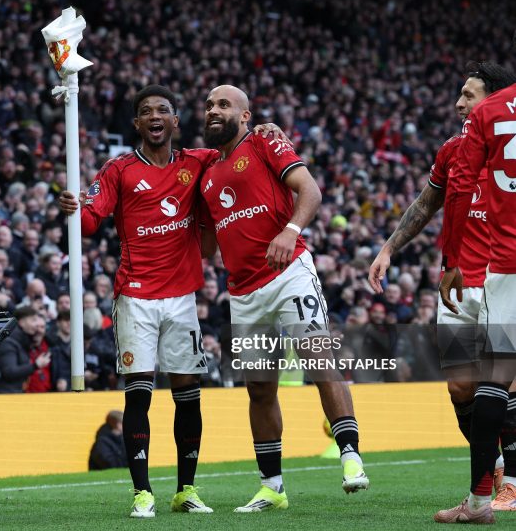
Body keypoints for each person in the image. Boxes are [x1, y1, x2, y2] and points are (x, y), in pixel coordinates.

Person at [61, 85, 284, 517]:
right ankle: (142, 492)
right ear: (137, 124)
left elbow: (239, 148)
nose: (154, 116)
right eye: (146, 112)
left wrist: (264, 129)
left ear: (176, 121)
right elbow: (89, 223)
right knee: (138, 395)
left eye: (163, 110)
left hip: (182, 298)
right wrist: (75, 207)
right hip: (136, 296)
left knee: (188, 395)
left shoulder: (198, 162)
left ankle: (186, 490)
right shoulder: (119, 169)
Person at [198, 85, 369, 513]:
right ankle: (272, 487)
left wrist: (289, 231)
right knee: (259, 390)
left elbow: (310, 191)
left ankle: (350, 456)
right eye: (208, 106)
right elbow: (205, 246)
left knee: (318, 358)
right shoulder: (204, 171)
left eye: (223, 105)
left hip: (289, 271)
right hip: (243, 291)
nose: (213, 110)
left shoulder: (264, 140)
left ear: (245, 115)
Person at [368, 61, 516, 512]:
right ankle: (488, 469)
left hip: (498, 275)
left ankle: (509, 482)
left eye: (468, 95)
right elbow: (427, 202)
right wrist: (389, 248)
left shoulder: (504, 137)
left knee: (504, 380)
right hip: (456, 282)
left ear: (490, 100)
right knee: (460, 388)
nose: (458, 103)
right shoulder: (453, 150)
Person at [436, 62, 516, 522]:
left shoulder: (491, 113)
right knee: (471, 381)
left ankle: (481, 502)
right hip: (490, 271)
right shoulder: (460, 134)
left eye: (468, 94)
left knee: (493, 381)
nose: (461, 103)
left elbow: (462, 186)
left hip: (505, 267)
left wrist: (451, 260)